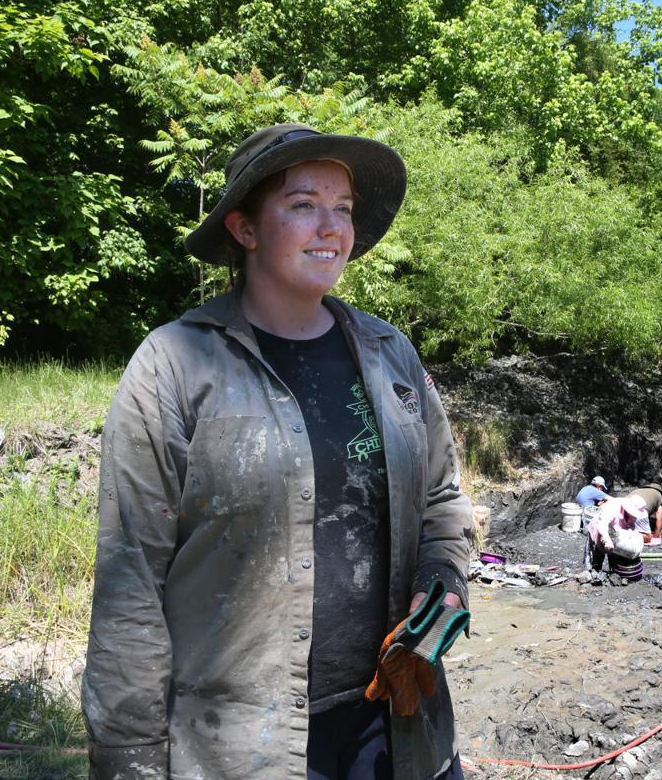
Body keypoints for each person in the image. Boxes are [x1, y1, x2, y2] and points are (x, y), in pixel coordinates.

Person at [81, 124, 473, 780]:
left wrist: (443, 584)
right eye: (302, 205)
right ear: (244, 228)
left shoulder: (392, 358)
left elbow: (441, 501)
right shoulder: (175, 366)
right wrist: (130, 764)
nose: (332, 227)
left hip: (398, 731)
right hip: (240, 748)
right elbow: (130, 586)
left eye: (342, 209)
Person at [587, 494, 650, 582]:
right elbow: (602, 524)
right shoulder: (613, 507)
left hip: (616, 535)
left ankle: (614, 578)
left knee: (616, 557)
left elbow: (630, 528)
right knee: (596, 559)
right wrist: (606, 539)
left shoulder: (632, 515)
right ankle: (592, 577)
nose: (634, 516)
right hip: (599, 532)